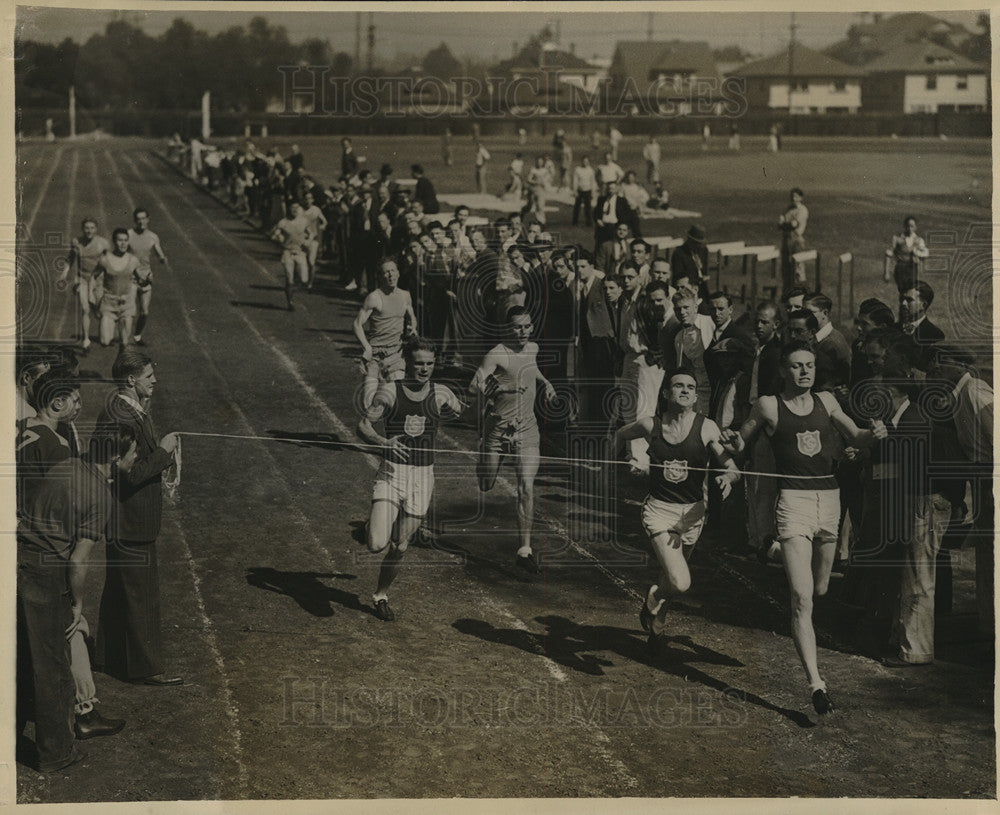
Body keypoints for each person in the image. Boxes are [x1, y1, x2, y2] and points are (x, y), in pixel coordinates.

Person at [723, 342, 886, 715]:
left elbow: (856, 436)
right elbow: (740, 441)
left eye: (809, 366)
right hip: (793, 504)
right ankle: (816, 684)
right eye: (797, 366)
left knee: (821, 586)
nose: (804, 372)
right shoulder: (768, 404)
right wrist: (733, 443)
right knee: (802, 598)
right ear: (784, 370)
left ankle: (775, 551)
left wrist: (874, 434)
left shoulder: (827, 401)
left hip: (830, 502)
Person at [17, 419, 137, 772]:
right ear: (115, 457)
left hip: (15, 557)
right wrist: (77, 601)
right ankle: (56, 754)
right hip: (43, 573)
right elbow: (78, 560)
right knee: (52, 666)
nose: (134, 459)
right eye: (132, 453)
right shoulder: (100, 496)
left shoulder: (67, 464)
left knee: (20, 657)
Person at [616, 369, 740, 637]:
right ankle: (654, 597)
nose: (685, 390)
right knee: (680, 581)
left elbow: (731, 465)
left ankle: (658, 619)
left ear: (696, 396)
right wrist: (622, 459)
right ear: (665, 393)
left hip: (694, 513)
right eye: (678, 386)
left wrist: (729, 477)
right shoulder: (651, 425)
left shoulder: (707, 427)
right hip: (659, 512)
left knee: (673, 573)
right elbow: (621, 434)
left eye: (690, 387)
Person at [358, 337, 465, 621]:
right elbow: (364, 425)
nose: (425, 369)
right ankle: (373, 523)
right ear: (407, 362)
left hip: (422, 477)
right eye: (419, 363)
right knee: (375, 544)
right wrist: (383, 442)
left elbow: (461, 412)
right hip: (393, 471)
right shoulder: (391, 391)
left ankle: (381, 595)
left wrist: (472, 405)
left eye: (430, 364)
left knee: (400, 545)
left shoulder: (441, 392)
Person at [94, 350, 182, 686]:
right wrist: (164, 451)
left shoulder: (129, 410)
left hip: (126, 520)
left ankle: (106, 656)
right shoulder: (122, 415)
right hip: (129, 520)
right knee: (140, 595)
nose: (155, 380)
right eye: (148, 376)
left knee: (120, 591)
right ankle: (147, 669)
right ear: (130, 379)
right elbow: (130, 474)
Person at [468, 306, 556, 574]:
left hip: (527, 429)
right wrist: (503, 387)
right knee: (485, 483)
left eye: (527, 326)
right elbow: (474, 386)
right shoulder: (496, 354)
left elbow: (533, 368)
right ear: (508, 328)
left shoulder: (533, 348)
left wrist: (546, 382)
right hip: (497, 429)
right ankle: (485, 451)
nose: (523, 332)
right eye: (518, 327)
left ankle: (525, 550)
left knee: (526, 487)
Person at [354, 259, 417, 410]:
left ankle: (392, 433)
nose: (390, 275)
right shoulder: (374, 297)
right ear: (380, 277)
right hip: (375, 357)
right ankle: (369, 431)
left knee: (396, 400)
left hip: (396, 355)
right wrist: (367, 347)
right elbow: (357, 324)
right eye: (386, 272)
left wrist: (412, 328)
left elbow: (412, 316)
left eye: (393, 271)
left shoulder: (405, 295)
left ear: (398, 273)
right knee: (369, 405)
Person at [60, 218, 109, 352]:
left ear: (96, 229)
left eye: (92, 228)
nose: (89, 231)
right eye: (87, 228)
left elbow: (109, 263)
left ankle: (98, 314)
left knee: (98, 310)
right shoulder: (76, 243)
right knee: (85, 309)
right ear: (83, 229)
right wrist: (64, 274)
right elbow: (70, 258)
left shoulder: (103, 244)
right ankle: (86, 339)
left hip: (99, 281)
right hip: (82, 279)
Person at [127, 209, 168, 344]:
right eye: (138, 219)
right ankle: (125, 338)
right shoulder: (129, 235)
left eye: (143, 218)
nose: (141, 221)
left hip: (146, 278)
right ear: (135, 220)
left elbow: (158, 251)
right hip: (132, 278)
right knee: (131, 310)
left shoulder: (153, 236)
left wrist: (162, 258)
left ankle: (137, 336)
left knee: (144, 312)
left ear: (148, 219)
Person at [94, 228, 140, 347]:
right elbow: (93, 277)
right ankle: (112, 326)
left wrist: (143, 283)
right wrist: (92, 296)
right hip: (109, 303)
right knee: (105, 341)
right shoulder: (104, 260)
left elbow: (140, 279)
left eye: (126, 240)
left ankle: (122, 361)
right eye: (120, 240)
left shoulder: (133, 260)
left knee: (124, 342)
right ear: (114, 241)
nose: (123, 243)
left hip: (126, 304)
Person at [270, 200, 312, 310]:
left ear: (299, 209)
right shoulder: (283, 222)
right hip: (287, 252)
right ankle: (290, 302)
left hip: (300, 252)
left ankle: (296, 280)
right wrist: (278, 237)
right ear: (289, 209)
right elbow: (274, 234)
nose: (294, 210)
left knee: (304, 279)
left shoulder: (304, 221)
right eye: (292, 208)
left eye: (296, 208)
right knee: (289, 279)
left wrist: (308, 241)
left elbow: (311, 233)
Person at [885, 215, 928, 291]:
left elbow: (925, 254)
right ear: (905, 226)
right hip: (901, 269)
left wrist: (918, 255)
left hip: (913, 269)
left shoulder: (919, 240)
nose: (910, 228)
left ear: (916, 227)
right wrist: (886, 272)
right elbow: (888, 254)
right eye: (908, 226)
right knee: (903, 291)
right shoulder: (897, 238)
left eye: (912, 226)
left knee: (912, 291)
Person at [778, 188, 809, 292]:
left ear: (801, 198)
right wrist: (784, 224)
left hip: (797, 240)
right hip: (786, 239)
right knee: (786, 267)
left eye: (796, 196)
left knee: (798, 267)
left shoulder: (802, 210)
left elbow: (793, 225)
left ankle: (800, 292)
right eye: (792, 196)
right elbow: (779, 224)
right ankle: (787, 292)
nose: (793, 198)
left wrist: (784, 225)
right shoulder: (788, 209)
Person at [301, 190, 328, 287]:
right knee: (302, 261)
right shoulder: (300, 210)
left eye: (310, 198)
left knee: (311, 261)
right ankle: (304, 279)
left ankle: (310, 283)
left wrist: (322, 226)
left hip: (313, 239)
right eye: (306, 198)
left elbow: (324, 221)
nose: (308, 201)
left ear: (312, 200)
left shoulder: (316, 210)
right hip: (302, 238)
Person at [571, 155, 597, 227]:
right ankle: (575, 221)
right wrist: (575, 190)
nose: (585, 162)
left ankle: (589, 222)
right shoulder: (578, 169)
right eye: (584, 161)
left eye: (586, 161)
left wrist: (593, 192)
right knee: (577, 207)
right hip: (580, 190)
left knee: (588, 207)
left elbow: (593, 182)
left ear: (588, 162)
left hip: (588, 190)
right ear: (581, 161)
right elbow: (575, 181)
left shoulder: (591, 170)